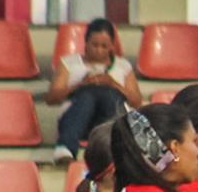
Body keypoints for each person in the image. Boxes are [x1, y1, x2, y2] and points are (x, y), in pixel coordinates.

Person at [47, 18, 141, 164]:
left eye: (104, 46)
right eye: (94, 45)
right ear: (85, 43)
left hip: (110, 120)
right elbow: (51, 98)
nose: (99, 50)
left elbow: (136, 101)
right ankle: (65, 149)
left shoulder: (123, 66)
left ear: (112, 46)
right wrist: (80, 84)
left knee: (109, 95)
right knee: (87, 95)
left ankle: (114, 149)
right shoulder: (69, 63)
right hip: (77, 121)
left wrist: (113, 84)